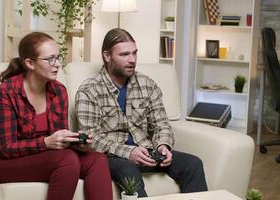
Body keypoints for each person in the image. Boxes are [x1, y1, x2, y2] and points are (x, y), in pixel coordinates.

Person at [75, 28, 208, 197]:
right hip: (112, 156)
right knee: (128, 169)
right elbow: (90, 137)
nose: (132, 60)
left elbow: (161, 124)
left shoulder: (146, 84)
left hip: (147, 151)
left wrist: (163, 145)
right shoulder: (89, 90)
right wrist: (128, 152)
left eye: (134, 53)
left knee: (193, 164)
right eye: (124, 55)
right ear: (107, 56)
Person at [0, 32, 113, 200]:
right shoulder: (6, 93)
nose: (57, 64)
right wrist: (45, 142)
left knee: (97, 160)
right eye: (50, 59)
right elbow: (7, 147)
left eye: (58, 58)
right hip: (7, 162)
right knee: (67, 160)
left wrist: (77, 143)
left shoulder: (58, 91)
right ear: (30, 63)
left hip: (48, 156)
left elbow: (59, 138)